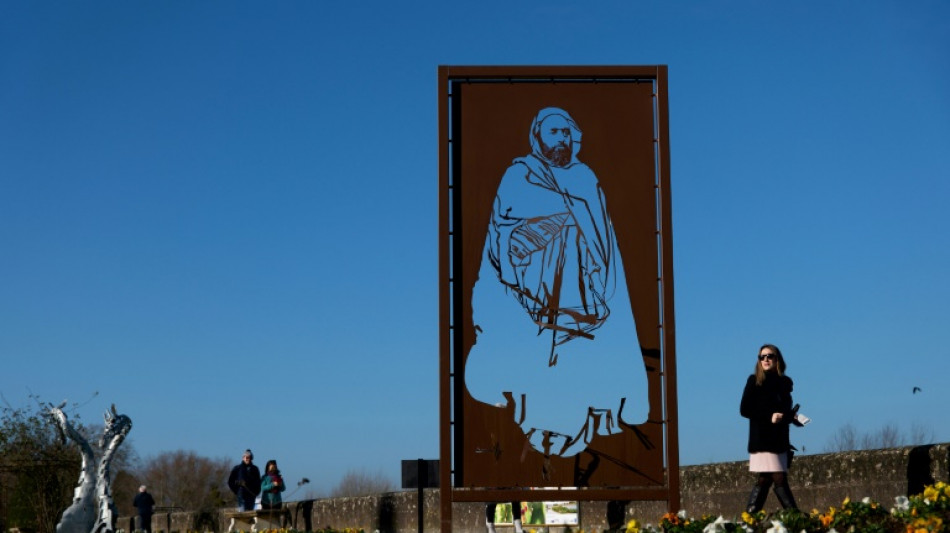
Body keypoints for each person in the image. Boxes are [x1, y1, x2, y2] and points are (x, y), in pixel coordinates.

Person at [466, 106, 648, 457]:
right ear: (537, 136)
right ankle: (538, 419)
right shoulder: (519, 174)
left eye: (566, 133)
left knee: (579, 358)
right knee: (539, 361)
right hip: (533, 289)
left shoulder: (584, 177)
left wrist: (582, 240)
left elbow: (602, 233)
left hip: (583, 288)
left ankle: (590, 413)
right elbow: (503, 229)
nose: (562, 140)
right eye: (554, 133)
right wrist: (555, 221)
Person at [740, 344, 800, 513]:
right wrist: (769, 416)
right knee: (779, 477)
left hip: (780, 440)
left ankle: (749, 519)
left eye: (769, 356)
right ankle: (795, 517)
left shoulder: (784, 383)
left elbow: (784, 412)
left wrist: (792, 418)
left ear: (777, 359)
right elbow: (745, 409)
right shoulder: (754, 380)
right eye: (762, 357)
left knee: (765, 479)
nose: (765, 359)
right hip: (763, 439)